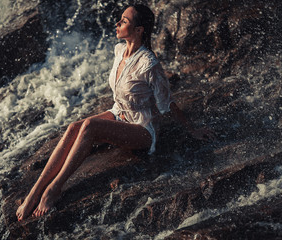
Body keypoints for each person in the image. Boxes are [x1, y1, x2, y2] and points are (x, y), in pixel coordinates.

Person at [16, 4, 215, 221]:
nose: (117, 23)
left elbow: (167, 103)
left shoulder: (149, 64)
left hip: (142, 129)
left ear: (139, 30)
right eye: (120, 19)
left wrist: (191, 130)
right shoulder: (119, 51)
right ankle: (34, 191)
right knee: (74, 127)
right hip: (119, 112)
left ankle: (54, 188)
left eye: (124, 21)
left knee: (90, 127)